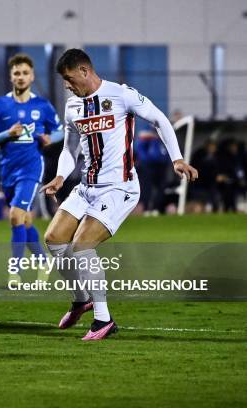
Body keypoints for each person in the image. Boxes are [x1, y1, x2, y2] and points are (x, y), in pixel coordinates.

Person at [42, 49, 198, 340]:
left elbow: (160, 120)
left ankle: (103, 320)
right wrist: (61, 177)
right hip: (86, 187)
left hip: (120, 187)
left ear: (85, 71)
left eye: (69, 78)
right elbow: (69, 148)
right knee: (53, 240)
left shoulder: (121, 95)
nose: (66, 85)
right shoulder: (73, 106)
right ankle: (82, 300)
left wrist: (176, 158)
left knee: (82, 245)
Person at [0, 53, 63, 267]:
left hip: (32, 167)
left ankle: (15, 270)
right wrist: (7, 134)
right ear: (11, 77)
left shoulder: (42, 106)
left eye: (25, 73)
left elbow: (60, 132)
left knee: (15, 216)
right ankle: (43, 263)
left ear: (32, 76)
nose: (21, 77)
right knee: (24, 220)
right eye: (17, 73)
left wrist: (49, 138)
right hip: (8, 169)